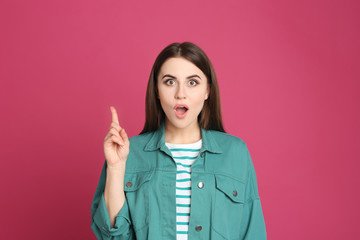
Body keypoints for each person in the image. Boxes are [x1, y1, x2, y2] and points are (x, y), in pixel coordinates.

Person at [91, 42, 267, 239]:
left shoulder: (235, 153)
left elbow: (253, 232)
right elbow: (113, 236)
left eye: (192, 82)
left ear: (207, 90)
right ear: (156, 90)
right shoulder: (128, 153)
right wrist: (115, 168)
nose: (180, 94)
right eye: (169, 82)